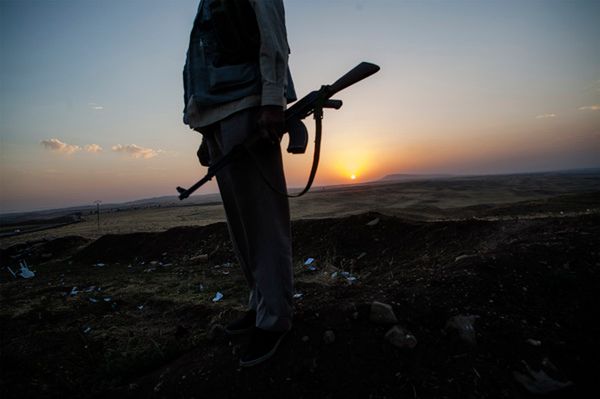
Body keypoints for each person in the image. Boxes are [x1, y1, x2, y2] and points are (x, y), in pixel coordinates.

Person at [182, 0, 296, 367]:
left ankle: (275, 317)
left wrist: (273, 100)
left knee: (262, 223)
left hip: (247, 104)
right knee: (242, 228)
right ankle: (261, 303)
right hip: (218, 111)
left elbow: (273, 36)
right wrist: (203, 128)